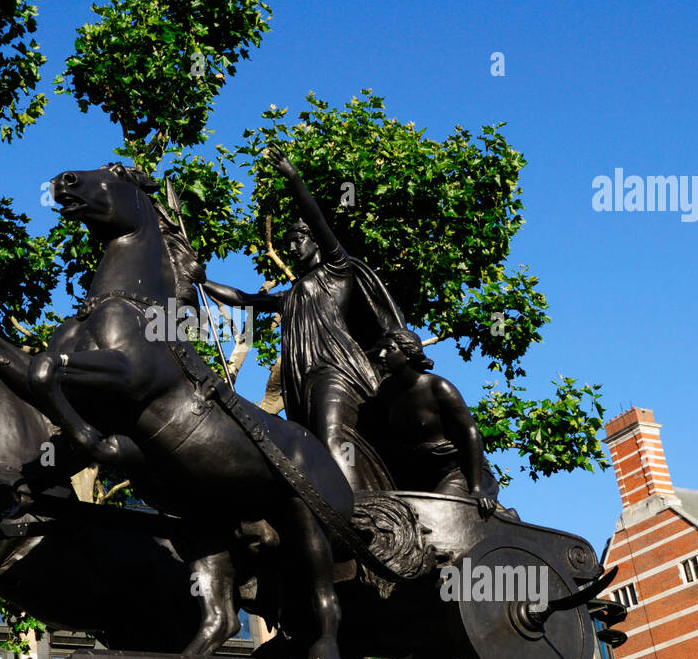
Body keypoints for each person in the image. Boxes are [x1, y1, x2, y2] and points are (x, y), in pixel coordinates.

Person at [202, 146, 404, 491]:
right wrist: (201, 279)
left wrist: (293, 178)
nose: (292, 248)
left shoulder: (337, 270)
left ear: (314, 241)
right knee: (309, 447)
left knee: (332, 434)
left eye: (297, 240)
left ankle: (363, 506)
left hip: (336, 371)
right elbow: (244, 299)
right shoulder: (290, 295)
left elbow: (320, 221)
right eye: (288, 243)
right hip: (300, 381)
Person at [364, 328, 502, 519]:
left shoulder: (438, 387)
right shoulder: (386, 392)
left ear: (409, 354)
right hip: (417, 475)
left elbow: (470, 433)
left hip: (457, 472)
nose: (381, 355)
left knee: (436, 512)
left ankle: (506, 515)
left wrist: (477, 488)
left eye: (389, 349)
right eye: (379, 349)